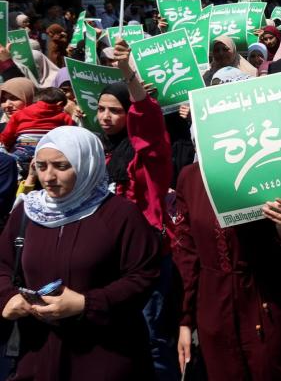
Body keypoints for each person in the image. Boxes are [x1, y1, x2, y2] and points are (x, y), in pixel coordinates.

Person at [0, 126, 161, 380]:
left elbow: (144, 275)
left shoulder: (119, 215)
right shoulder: (27, 212)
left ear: (86, 163)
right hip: (38, 353)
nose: (49, 177)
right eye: (41, 166)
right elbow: (4, 265)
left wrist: (87, 304)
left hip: (104, 355)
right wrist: (7, 297)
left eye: (61, 166)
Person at [172, 162, 281, 380]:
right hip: (214, 309)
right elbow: (187, 253)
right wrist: (184, 321)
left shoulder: (270, 168)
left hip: (265, 302)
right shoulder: (191, 177)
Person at [97, 39, 177, 378]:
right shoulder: (96, 151)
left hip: (146, 258)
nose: (105, 116)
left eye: (115, 110)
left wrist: (127, 71)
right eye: (100, 109)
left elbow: (146, 117)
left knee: (152, 338)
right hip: (107, 258)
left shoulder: (149, 154)